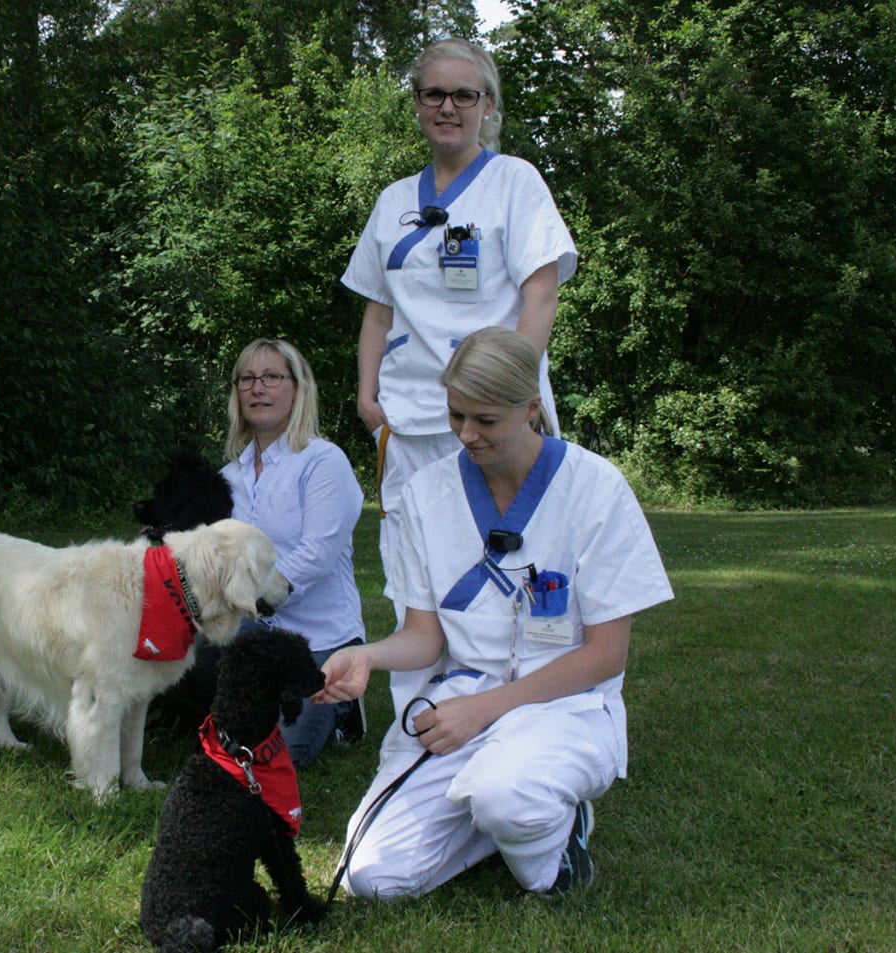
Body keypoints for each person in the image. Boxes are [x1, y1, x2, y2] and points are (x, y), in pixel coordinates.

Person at [313, 327, 673, 898]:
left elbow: (607, 654)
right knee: (372, 879)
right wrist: (366, 657)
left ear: (531, 409)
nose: (465, 434)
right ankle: (500, 814)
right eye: (456, 415)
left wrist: (485, 710)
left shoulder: (595, 487)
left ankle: (551, 830)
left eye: (485, 420)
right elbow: (424, 638)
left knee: (506, 795)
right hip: (460, 702)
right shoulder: (426, 493)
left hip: (565, 706)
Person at [341, 37, 579, 712]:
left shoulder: (516, 182)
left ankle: (522, 708)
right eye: (434, 94)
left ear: (488, 106)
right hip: (410, 421)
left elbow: (540, 293)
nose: (448, 107)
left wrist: (513, 390)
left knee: (518, 560)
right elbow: (377, 309)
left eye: (464, 95)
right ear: (417, 104)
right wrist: (367, 397)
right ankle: (420, 714)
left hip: (496, 416)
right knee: (415, 567)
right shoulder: (393, 201)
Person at [221, 338, 366, 768]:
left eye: (271, 377)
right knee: (208, 715)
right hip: (249, 632)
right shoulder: (229, 476)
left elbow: (317, 555)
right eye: (247, 379)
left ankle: (344, 707)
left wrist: (246, 597)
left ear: (298, 389)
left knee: (276, 755)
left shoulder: (323, 461)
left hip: (317, 638)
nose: (257, 388)